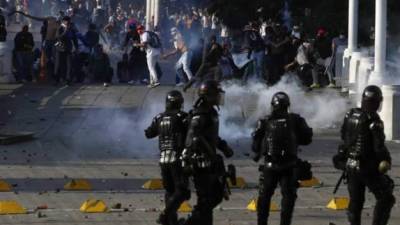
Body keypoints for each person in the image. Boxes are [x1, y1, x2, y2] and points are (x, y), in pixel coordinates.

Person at [333, 85, 395, 225]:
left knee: (356, 202)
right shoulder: (374, 120)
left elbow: (344, 136)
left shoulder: (350, 115)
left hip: (350, 165)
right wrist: (386, 159)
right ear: (377, 101)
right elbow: (379, 147)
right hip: (367, 167)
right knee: (386, 198)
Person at [252, 92, 313, 225]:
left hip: (269, 165)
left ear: (273, 106)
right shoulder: (295, 120)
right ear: (287, 106)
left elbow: (255, 146)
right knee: (288, 197)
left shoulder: (264, 121)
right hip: (289, 165)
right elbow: (307, 139)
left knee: (264, 197)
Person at [181, 80, 234, 225]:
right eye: (216, 95)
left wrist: (223, 147)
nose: (219, 98)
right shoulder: (199, 115)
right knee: (205, 198)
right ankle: (189, 223)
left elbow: (211, 136)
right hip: (200, 162)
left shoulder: (211, 113)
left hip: (211, 161)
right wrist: (205, 154)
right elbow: (192, 139)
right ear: (208, 96)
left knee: (216, 195)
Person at [145, 90, 191, 225]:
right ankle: (166, 214)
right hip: (177, 159)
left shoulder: (158, 117)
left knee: (170, 191)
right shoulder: (183, 117)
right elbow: (192, 132)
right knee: (182, 192)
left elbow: (149, 133)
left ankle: (171, 221)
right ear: (180, 103)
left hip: (163, 159)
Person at [54, 16, 79, 86]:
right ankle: (57, 80)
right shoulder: (60, 28)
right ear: (63, 22)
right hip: (60, 48)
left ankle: (68, 80)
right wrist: (65, 31)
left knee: (69, 65)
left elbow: (74, 39)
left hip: (68, 48)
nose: (68, 23)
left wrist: (76, 48)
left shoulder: (71, 29)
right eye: (66, 22)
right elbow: (58, 37)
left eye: (69, 22)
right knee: (58, 65)